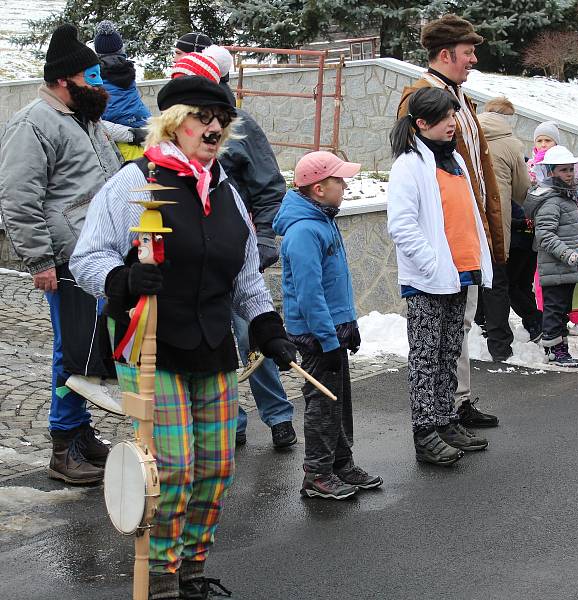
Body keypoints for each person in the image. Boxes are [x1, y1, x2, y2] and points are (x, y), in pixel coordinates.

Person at [70, 75, 298, 598]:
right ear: (175, 124)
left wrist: (268, 326)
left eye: (221, 119)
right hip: (153, 344)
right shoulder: (136, 182)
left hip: (214, 345)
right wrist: (121, 279)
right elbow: (88, 257)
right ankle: (162, 576)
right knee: (171, 468)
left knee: (216, 466)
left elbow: (244, 279)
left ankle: (193, 567)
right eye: (202, 116)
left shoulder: (226, 191)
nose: (214, 126)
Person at [0, 24, 122, 485]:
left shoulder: (82, 117)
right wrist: (40, 261)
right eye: (92, 77)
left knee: (90, 346)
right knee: (69, 349)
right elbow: (16, 197)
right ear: (64, 79)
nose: (99, 85)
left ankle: (80, 430)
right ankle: (63, 443)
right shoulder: (32, 123)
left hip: (100, 253)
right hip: (67, 257)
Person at [172, 43, 297, 449]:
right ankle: (232, 422)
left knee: (251, 337)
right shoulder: (173, 138)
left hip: (236, 257)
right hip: (192, 267)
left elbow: (270, 188)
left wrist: (260, 243)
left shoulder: (242, 127)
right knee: (213, 348)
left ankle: (278, 416)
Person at [397, 14, 502, 428]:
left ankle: (455, 404)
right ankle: (444, 414)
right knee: (437, 341)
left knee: (458, 328)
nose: (473, 58)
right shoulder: (422, 99)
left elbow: (472, 168)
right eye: (468, 52)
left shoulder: (456, 97)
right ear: (446, 54)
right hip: (442, 245)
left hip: (462, 238)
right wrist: (434, 252)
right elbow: (415, 182)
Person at [388, 87, 492, 465]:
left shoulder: (455, 161)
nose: (453, 123)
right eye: (445, 117)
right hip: (428, 279)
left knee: (450, 351)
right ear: (421, 124)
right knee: (426, 357)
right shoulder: (408, 165)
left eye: (453, 115)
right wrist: (432, 266)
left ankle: (446, 419)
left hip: (459, 275)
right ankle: (424, 432)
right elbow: (401, 226)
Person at [272, 151, 383, 500]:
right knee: (323, 404)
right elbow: (309, 294)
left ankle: (341, 462)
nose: (346, 185)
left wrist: (348, 325)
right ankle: (317, 473)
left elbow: (333, 285)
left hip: (333, 332)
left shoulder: (323, 220)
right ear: (319, 188)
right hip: (317, 337)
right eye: (339, 181)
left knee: (338, 402)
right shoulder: (305, 230)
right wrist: (328, 339)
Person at [524, 146, 578, 367]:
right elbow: (544, 235)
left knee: (563, 309)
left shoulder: (565, 197)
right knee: (555, 309)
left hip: (567, 267)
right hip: (557, 266)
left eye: (570, 169)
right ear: (552, 173)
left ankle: (561, 350)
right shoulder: (552, 201)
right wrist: (567, 254)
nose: (568, 174)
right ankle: (554, 351)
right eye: (563, 170)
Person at [476, 97, 530, 361]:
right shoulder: (511, 144)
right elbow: (522, 188)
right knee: (497, 281)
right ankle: (499, 345)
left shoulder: (467, 135)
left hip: (468, 219)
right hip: (497, 222)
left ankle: (474, 331)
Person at [93, 20, 150, 160]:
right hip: (142, 121)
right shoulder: (129, 71)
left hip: (117, 130)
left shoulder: (94, 75)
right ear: (121, 50)